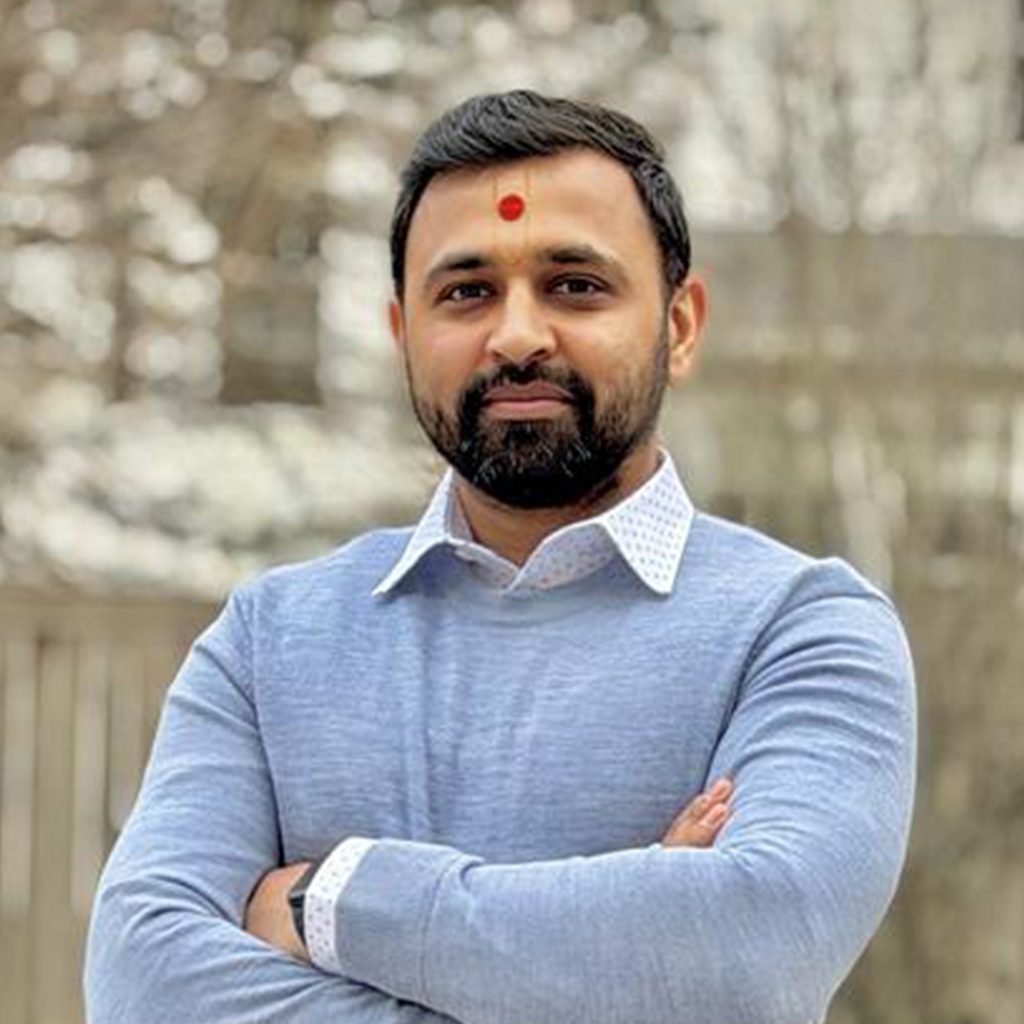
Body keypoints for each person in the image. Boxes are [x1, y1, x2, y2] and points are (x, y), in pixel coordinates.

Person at [83, 90, 916, 1024]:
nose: (517, 336)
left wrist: (327, 900)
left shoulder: (801, 631)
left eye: (576, 285)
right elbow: (141, 982)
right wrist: (627, 949)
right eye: (467, 292)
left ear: (680, 325)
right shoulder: (269, 642)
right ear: (402, 334)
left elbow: (750, 952)